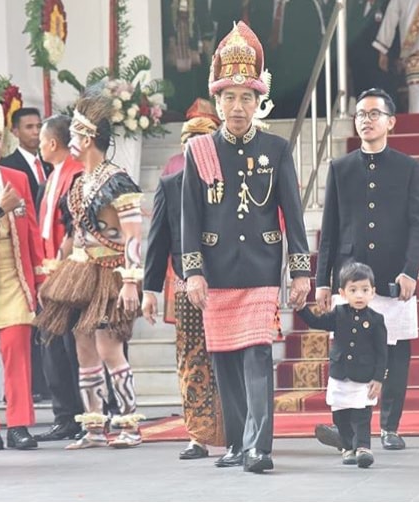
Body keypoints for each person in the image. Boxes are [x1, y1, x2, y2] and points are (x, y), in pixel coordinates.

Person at [181, 21, 311, 473]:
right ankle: (236, 442)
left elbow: (293, 214)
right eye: (230, 98)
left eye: (247, 98)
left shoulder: (276, 150)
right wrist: (192, 271)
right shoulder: (199, 151)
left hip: (260, 269)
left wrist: (300, 270)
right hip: (216, 272)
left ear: (259, 102)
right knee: (225, 361)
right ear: (217, 102)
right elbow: (189, 220)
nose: (238, 107)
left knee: (257, 355)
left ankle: (260, 447)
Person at [313, 87, 419, 451]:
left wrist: (411, 270)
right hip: (350, 279)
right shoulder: (340, 167)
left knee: (394, 352)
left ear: (391, 122)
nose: (366, 120)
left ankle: (390, 426)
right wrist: (322, 282)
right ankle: (345, 430)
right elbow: (329, 229)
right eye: (361, 114)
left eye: (374, 114)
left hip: (394, 277)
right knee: (345, 352)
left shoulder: (409, 167)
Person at [34, 90, 145, 450]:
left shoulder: (119, 181)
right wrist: (60, 267)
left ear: (91, 137)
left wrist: (130, 280)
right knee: (83, 348)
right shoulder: (80, 182)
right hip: (82, 270)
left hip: (111, 273)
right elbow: (76, 233)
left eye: (78, 136)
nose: (73, 142)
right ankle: (94, 427)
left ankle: (129, 423)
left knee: (108, 346)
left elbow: (133, 236)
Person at [142, 114, 224, 460]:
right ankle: (198, 435)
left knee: (230, 360)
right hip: (188, 287)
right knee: (192, 361)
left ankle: (237, 431)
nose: (195, 149)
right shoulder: (170, 184)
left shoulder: (229, 180)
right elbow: (158, 238)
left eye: (203, 141)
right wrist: (150, 290)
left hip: (228, 284)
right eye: (189, 142)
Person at [0, 102, 44, 451]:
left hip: (14, 277)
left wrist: (42, 280)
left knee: (16, 351)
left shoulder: (18, 179)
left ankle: (20, 425)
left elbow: (34, 234)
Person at [297, 262, 387, 468]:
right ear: (342, 293)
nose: (359, 295)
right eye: (353, 290)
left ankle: (363, 447)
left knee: (362, 413)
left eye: (365, 290)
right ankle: (348, 446)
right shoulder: (338, 313)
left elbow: (382, 353)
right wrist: (301, 308)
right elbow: (316, 323)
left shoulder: (376, 320)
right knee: (340, 414)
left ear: (373, 292)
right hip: (340, 374)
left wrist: (379, 378)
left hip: (364, 376)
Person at [32, 114, 85, 442]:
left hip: (72, 274)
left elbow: (75, 226)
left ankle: (86, 413)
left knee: (74, 347)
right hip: (49, 276)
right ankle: (65, 415)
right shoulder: (49, 180)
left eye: (41, 140)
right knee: (52, 346)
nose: (39, 146)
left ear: (52, 143)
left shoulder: (76, 176)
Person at [0, 106, 52, 403]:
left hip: (18, 271)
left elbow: (32, 227)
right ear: (16, 132)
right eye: (28, 127)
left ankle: (20, 422)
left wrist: (40, 273)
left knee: (19, 344)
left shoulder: (36, 169)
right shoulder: (11, 165)